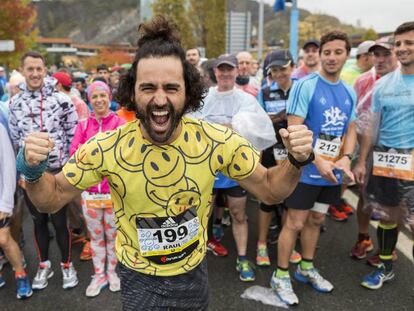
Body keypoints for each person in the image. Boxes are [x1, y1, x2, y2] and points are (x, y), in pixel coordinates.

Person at [19, 16, 313, 310]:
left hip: (193, 277)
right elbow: (51, 198)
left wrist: (296, 162)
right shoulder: (108, 147)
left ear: (188, 91)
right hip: (138, 278)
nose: (160, 99)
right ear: (132, 92)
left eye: (171, 88)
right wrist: (32, 169)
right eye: (148, 88)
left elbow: (271, 190)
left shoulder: (216, 141)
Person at [271, 30, 357, 306]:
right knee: (294, 222)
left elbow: (351, 129)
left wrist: (347, 158)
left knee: (317, 221)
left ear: (347, 55)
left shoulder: (348, 91)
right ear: (319, 55)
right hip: (305, 170)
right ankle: (281, 274)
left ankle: (306, 267)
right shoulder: (306, 85)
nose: (331, 57)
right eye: (327, 52)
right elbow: (294, 129)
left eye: (338, 52)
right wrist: (318, 161)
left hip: (331, 173)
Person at [8, 51, 79, 291]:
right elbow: (16, 140)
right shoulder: (15, 103)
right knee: (39, 221)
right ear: (23, 70)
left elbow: (72, 135)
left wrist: (69, 167)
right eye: (30, 69)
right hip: (30, 175)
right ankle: (44, 265)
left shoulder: (61, 100)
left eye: (39, 68)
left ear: (45, 70)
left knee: (60, 223)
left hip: (57, 171)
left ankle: (68, 265)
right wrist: (20, 174)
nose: (35, 73)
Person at [193, 54, 265, 281]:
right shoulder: (204, 98)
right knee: (203, 214)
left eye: (229, 69)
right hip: (208, 168)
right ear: (215, 72)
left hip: (236, 169)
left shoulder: (246, 100)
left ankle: (242, 258)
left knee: (238, 213)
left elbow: (258, 133)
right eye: (220, 69)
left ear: (236, 72)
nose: (225, 74)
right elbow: (192, 130)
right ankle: (196, 258)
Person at [355, 21, 414, 290]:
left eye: (409, 43)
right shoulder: (383, 85)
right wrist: (361, 161)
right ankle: (386, 267)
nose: (403, 49)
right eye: (399, 44)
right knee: (388, 217)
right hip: (386, 160)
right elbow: (370, 128)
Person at [70, 81, 125, 297]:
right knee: (96, 237)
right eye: (95, 97)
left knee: (113, 237)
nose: (100, 100)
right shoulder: (83, 126)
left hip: (113, 194)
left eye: (103, 95)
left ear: (109, 97)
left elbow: (124, 157)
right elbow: (75, 154)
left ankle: (113, 272)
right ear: (89, 100)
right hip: (91, 194)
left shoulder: (120, 124)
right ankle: (98, 274)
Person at [350, 37, 399, 264]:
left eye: (385, 54)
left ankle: (387, 248)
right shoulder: (362, 81)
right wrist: (359, 157)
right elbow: (356, 116)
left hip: (398, 152)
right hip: (368, 148)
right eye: (375, 54)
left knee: (394, 202)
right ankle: (363, 237)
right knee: (364, 195)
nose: (379, 60)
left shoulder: (405, 80)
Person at [255, 49, 301, 267]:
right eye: (274, 70)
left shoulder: (301, 88)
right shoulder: (264, 91)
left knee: (290, 201)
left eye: (282, 68)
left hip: (294, 154)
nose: (279, 73)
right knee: (267, 199)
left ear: (292, 66)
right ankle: (262, 243)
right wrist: (280, 117)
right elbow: (259, 121)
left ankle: (286, 242)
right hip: (271, 151)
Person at [0, 112, 32, 299]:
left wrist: (5, 203)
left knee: (4, 239)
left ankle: (21, 275)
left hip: (2, 195)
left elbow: (8, 165)